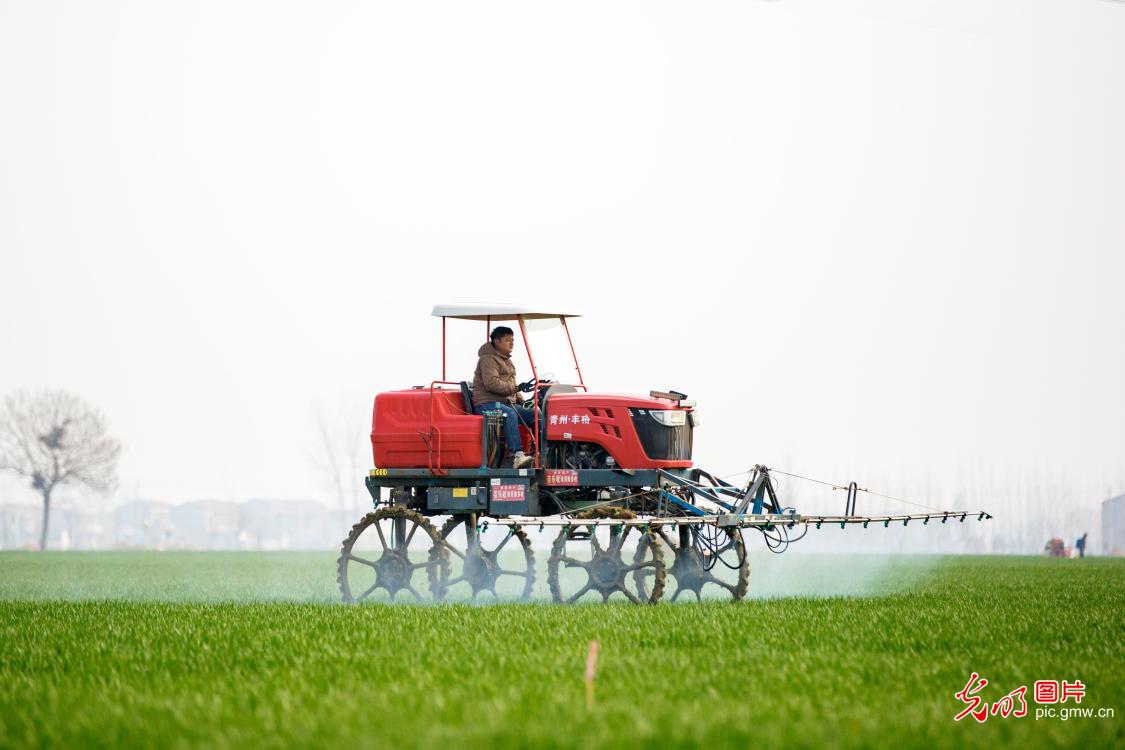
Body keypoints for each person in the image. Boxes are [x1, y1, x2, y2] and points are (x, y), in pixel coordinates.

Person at [471, 326, 536, 468]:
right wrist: (516, 388)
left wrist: (522, 399)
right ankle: (517, 455)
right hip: (487, 403)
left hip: (504, 403)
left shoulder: (506, 360)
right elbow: (492, 384)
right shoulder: (487, 359)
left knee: (535, 414)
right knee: (509, 414)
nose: (511, 343)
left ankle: (540, 453)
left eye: (512, 340)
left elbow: (511, 385)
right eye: (508, 340)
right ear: (496, 341)